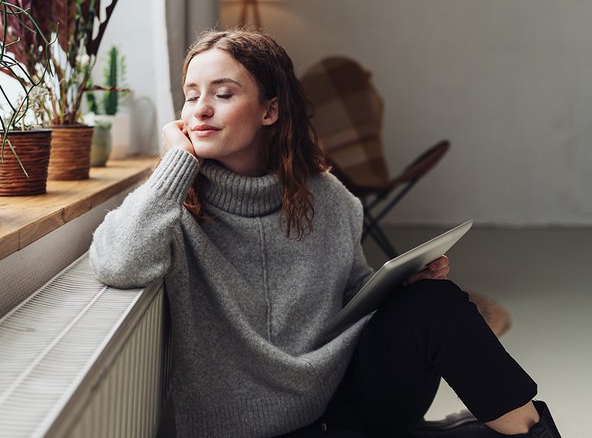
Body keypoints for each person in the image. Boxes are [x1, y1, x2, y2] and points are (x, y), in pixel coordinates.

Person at [89, 29, 561, 438]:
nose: (201, 110)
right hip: (249, 429)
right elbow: (117, 263)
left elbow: (349, 291)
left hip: (341, 402)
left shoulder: (327, 197)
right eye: (192, 95)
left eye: (223, 94)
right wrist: (176, 164)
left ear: (270, 110)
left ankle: (528, 430)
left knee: (434, 303)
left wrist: (400, 289)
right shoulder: (172, 204)